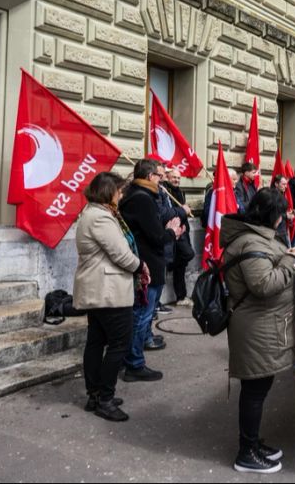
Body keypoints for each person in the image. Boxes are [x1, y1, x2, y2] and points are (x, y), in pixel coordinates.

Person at [220, 188, 295, 474]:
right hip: (255, 328)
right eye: (282, 214)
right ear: (273, 216)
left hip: (264, 325)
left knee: (260, 387)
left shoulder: (258, 237)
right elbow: (264, 285)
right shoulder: (250, 242)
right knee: (254, 390)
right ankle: (246, 453)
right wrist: (291, 260)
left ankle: (253, 443)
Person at [74, 172, 148, 422]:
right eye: (119, 190)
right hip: (107, 290)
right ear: (108, 192)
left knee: (96, 341)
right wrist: (140, 266)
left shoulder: (95, 213)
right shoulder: (100, 218)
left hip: (101, 290)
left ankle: (95, 394)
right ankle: (104, 398)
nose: (121, 194)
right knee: (119, 344)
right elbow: (121, 254)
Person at [119, 159, 185, 382]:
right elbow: (156, 236)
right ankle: (134, 364)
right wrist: (172, 233)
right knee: (142, 314)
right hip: (147, 265)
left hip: (146, 263)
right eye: (159, 176)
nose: (162, 180)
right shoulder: (142, 199)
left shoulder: (138, 195)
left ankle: (133, 358)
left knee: (142, 313)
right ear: (149, 177)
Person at [163, 168, 194, 306]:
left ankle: (181, 296)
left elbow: (183, 212)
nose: (176, 180)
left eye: (178, 178)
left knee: (181, 264)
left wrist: (185, 225)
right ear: (167, 177)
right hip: (173, 233)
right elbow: (170, 213)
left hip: (183, 232)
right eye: (174, 177)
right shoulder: (164, 191)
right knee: (187, 255)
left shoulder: (180, 191)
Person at [271, 173, 294, 247]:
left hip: (283, 229)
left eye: (286, 184)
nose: (286, 186)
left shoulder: (281, 195)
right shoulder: (272, 196)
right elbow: (274, 213)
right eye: (283, 184)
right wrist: (286, 215)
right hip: (277, 231)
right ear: (276, 184)